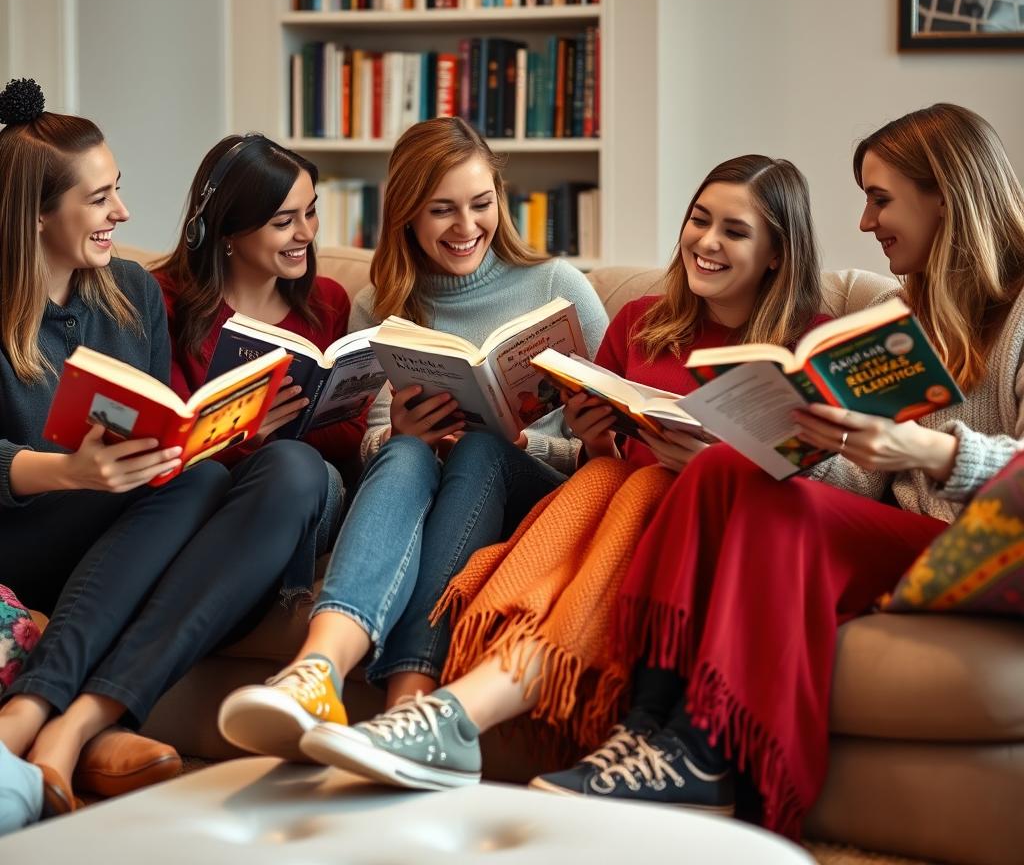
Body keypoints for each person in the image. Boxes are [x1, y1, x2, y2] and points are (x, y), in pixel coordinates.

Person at [528, 103, 1024, 839]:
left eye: (880, 199)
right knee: (723, 470)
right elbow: (859, 490)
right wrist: (790, 451)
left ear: (944, 197)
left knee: (749, 484)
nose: (863, 222)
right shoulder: (903, 310)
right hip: (911, 541)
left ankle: (710, 751)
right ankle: (653, 728)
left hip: (986, 554)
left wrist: (928, 451)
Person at [287, 154, 827, 806]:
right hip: (605, 500)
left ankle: (449, 713)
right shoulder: (644, 324)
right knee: (598, 473)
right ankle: (422, 701)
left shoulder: (809, 346)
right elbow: (598, 453)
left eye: (733, 232)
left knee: (636, 484)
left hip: (688, 522)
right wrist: (595, 434)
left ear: (777, 252)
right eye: (698, 221)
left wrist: (718, 462)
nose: (705, 242)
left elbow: (835, 477)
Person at [217, 116, 609, 760]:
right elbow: (373, 444)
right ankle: (319, 673)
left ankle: (410, 692)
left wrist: (528, 444)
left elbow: (612, 452)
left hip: (538, 493)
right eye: (441, 210)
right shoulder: (386, 301)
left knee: (484, 448)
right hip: (437, 489)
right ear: (407, 213)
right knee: (401, 451)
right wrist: (400, 433)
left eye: (481, 205)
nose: (465, 228)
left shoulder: (558, 287)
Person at [0, 78, 330, 823]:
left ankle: (67, 723)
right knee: (198, 482)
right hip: (28, 535)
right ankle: (36, 719)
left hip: (127, 528)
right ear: (36, 216)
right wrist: (66, 470)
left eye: (119, 190)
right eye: (100, 199)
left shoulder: (127, 293)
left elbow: (159, 433)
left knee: (255, 471)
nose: (123, 213)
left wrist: (214, 433)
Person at [154, 134, 362, 598]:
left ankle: (281, 593)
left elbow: (348, 436)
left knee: (310, 470)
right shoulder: (164, 302)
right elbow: (167, 446)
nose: (307, 234)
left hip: (306, 502)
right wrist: (246, 430)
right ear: (227, 230)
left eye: (311, 211)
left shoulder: (328, 301)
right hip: (201, 504)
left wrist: (282, 428)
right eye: (284, 221)